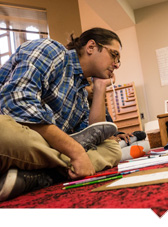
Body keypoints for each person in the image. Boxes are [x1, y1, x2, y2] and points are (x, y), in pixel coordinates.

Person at [0, 27, 123, 201]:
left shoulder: (80, 95)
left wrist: (100, 87)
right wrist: (76, 152)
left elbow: (94, 134)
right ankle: (54, 173)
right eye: (114, 55)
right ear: (91, 47)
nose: (117, 64)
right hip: (14, 133)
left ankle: (40, 175)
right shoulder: (51, 50)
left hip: (38, 149)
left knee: (112, 149)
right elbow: (16, 102)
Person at [85, 77, 149, 161]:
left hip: (113, 144)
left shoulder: (102, 107)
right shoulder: (82, 109)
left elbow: (111, 129)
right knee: (117, 149)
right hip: (100, 147)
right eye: (89, 84)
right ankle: (115, 154)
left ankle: (126, 143)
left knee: (146, 144)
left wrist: (118, 135)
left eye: (94, 84)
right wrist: (107, 139)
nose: (94, 87)